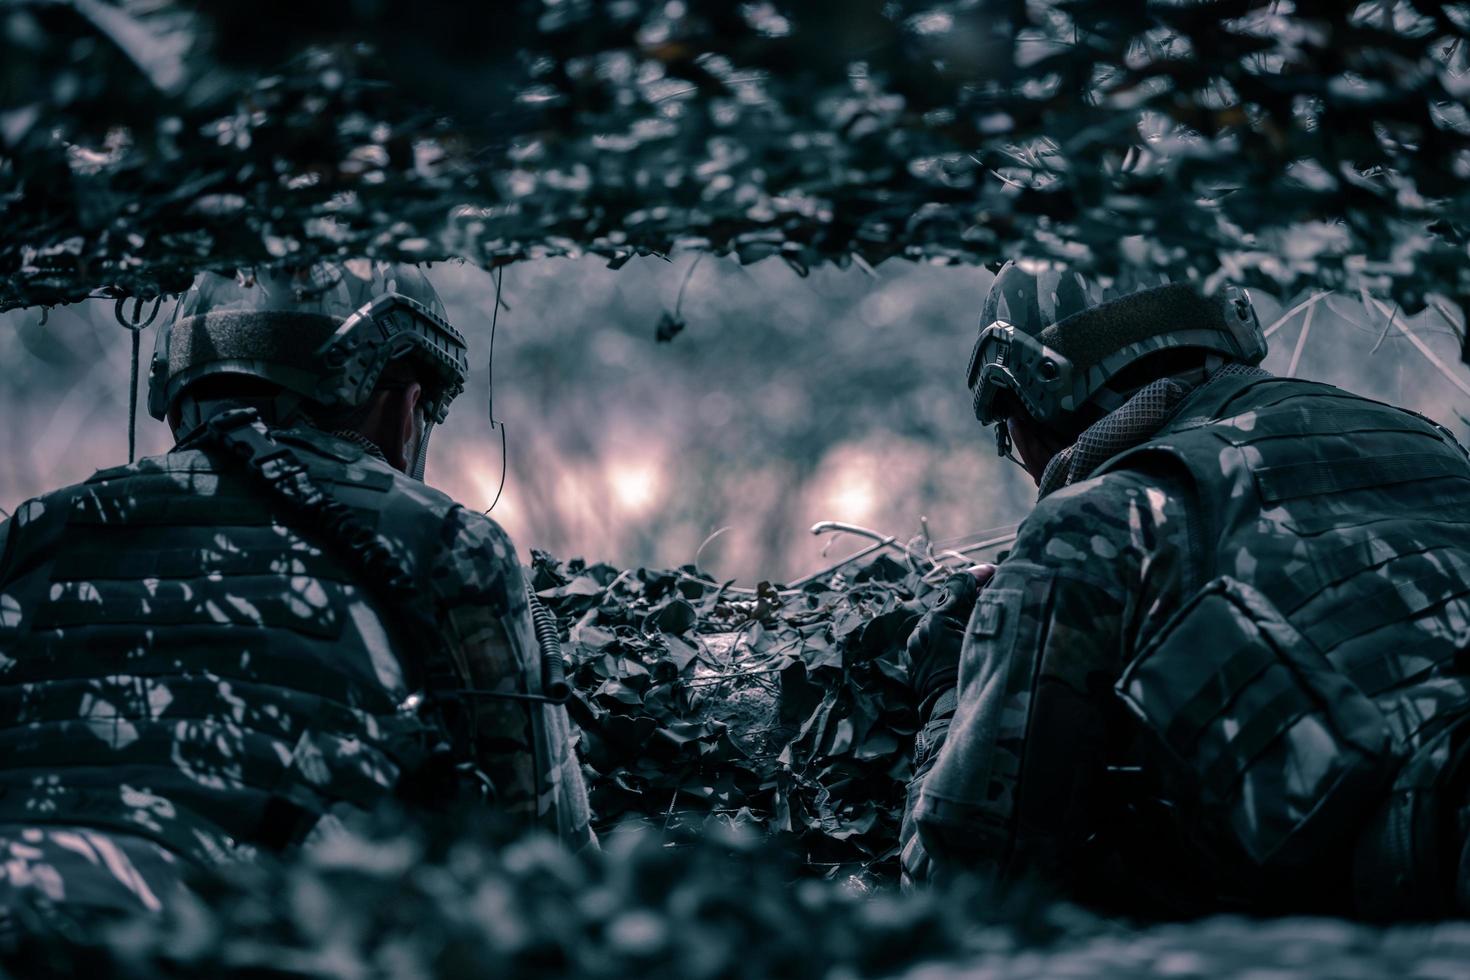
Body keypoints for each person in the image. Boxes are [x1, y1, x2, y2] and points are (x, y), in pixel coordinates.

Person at [0, 261, 592, 934]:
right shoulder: (450, 543)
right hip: (268, 935)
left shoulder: (36, 530)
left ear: (183, 383)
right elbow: (545, 852)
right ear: (398, 399)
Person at [900, 262, 1470, 919]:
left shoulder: (1098, 520)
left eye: (1008, 431)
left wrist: (947, 686)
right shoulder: (1427, 442)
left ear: (1034, 387)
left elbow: (961, 893)